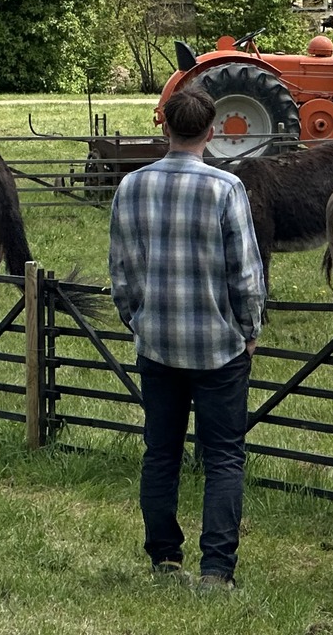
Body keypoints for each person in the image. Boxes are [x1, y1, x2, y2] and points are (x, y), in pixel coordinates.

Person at [109, 88, 264, 593]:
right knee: (223, 455)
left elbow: (123, 269)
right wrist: (250, 330)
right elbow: (245, 272)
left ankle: (164, 558)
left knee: (161, 452)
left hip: (156, 341)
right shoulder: (225, 187)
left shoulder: (132, 185)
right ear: (212, 132)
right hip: (218, 345)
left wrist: (137, 319)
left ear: (164, 129)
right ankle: (216, 569)